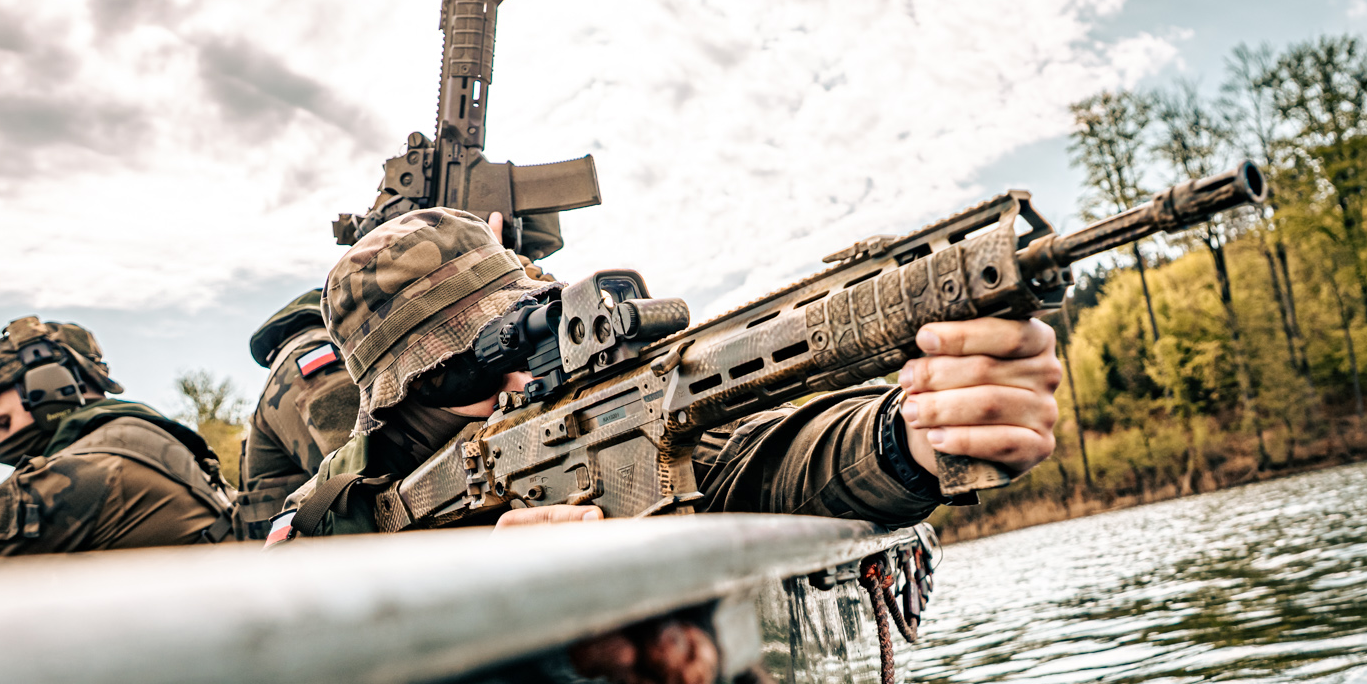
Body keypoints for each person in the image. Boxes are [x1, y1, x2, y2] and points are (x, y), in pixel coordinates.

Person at [271, 207, 1062, 541]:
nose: (515, 383)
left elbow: (762, 460)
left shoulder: (594, 419)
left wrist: (910, 434)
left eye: (517, 349)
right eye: (465, 373)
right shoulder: (342, 513)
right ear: (400, 404)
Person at [0, 316, 234, 576]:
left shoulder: (82, 472)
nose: (1, 443)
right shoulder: (154, 445)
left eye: (1, 423)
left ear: (49, 387)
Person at [235, 289, 362, 541]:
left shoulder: (293, 360)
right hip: (314, 564)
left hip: (289, 564)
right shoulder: (311, 352)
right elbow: (360, 472)